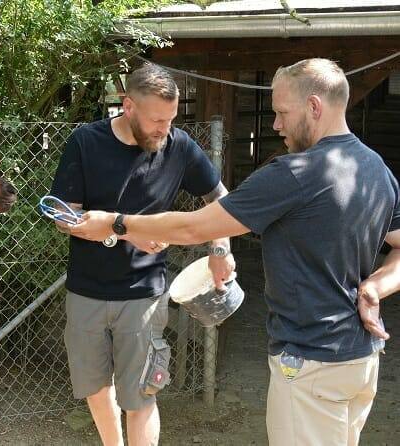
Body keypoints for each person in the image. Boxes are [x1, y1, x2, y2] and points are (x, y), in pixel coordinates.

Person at [70, 58, 400, 446]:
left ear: (314, 107)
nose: (275, 125)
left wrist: (117, 223)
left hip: (310, 363)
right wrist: (375, 288)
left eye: (281, 113)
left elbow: (194, 226)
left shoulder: (294, 173)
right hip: (359, 363)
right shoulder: (375, 167)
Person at [49, 63, 235, 446]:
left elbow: (221, 201)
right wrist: (123, 233)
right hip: (86, 290)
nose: (163, 130)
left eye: (169, 119)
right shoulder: (86, 141)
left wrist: (220, 247)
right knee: (96, 389)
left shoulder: (178, 145)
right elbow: (63, 217)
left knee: (141, 395)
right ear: (128, 106)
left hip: (144, 293)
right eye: (155, 120)